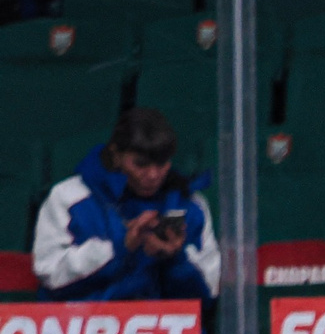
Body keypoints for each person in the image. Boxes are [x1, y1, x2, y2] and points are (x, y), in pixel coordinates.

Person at [32, 106, 220, 303]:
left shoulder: (191, 204)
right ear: (116, 156)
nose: (153, 175)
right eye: (141, 164)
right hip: (86, 328)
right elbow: (50, 274)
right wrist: (120, 248)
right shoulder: (69, 197)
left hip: (169, 330)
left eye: (162, 163)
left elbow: (210, 289)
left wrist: (175, 259)